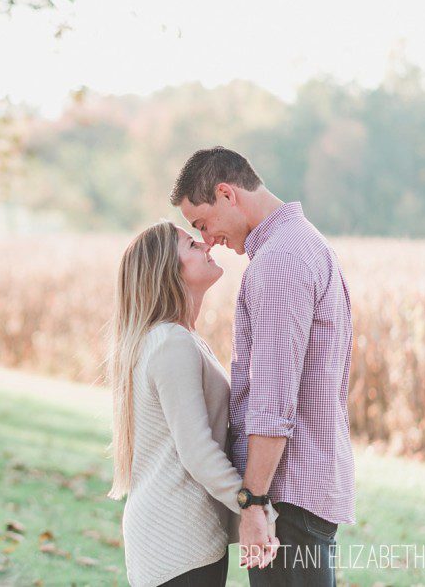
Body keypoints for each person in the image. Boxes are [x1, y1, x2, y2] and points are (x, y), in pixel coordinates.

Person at [170, 146, 355, 586]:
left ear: (226, 194)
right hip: (297, 492)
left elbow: (272, 401)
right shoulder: (300, 243)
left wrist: (253, 502)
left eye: (202, 223)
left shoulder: (279, 263)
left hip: (283, 496)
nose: (208, 239)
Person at [106, 220, 278, 587]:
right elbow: (196, 449)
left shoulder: (174, 338)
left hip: (178, 531)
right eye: (190, 244)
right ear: (169, 271)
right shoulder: (171, 342)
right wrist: (252, 505)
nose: (205, 244)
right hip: (176, 537)